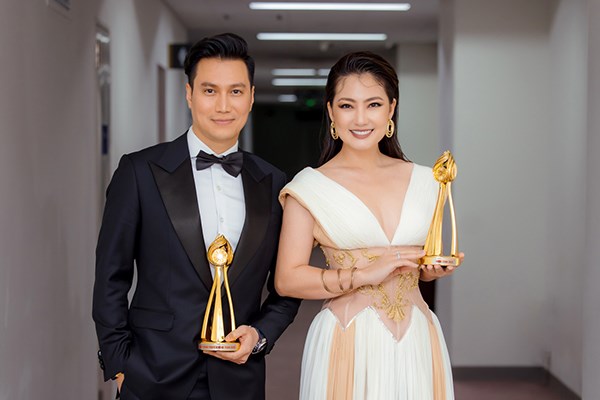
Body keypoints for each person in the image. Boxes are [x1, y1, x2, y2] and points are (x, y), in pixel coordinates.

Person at [92, 33, 300, 400]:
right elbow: (111, 277)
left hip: (239, 380)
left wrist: (259, 335)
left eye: (235, 92)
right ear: (189, 94)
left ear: (251, 97)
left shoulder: (273, 183)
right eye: (209, 91)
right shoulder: (139, 172)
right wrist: (120, 365)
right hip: (152, 376)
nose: (223, 105)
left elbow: (287, 285)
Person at [275, 51, 463, 399]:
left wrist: (430, 270)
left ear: (391, 109)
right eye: (347, 106)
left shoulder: (427, 181)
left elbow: (420, 265)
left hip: (417, 335)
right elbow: (287, 279)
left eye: (373, 104)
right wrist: (362, 275)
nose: (360, 118)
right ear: (330, 111)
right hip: (348, 336)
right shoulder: (309, 188)